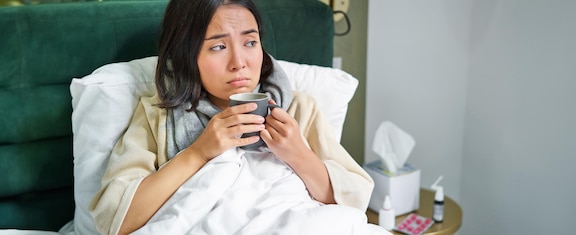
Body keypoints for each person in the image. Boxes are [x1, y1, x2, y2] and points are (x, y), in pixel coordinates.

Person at [88, 0, 375, 234]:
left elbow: (353, 200)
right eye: (218, 47)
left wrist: (298, 153)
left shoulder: (296, 108)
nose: (239, 63)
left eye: (250, 43)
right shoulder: (158, 116)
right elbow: (115, 219)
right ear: (187, 54)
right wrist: (199, 152)